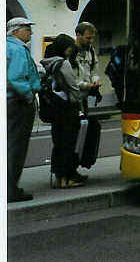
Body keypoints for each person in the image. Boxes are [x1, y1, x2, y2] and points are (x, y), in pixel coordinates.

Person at [40, 34, 85, 189]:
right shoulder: (63, 64)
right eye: (69, 48)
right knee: (68, 143)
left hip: (55, 108)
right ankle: (67, 178)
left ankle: (58, 178)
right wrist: (79, 105)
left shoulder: (47, 63)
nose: (69, 51)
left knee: (58, 143)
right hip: (67, 108)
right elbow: (73, 87)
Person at [6, 17, 41, 202]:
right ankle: (10, 189)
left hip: (8, 101)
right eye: (27, 29)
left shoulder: (6, 46)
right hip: (17, 102)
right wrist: (28, 96)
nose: (31, 32)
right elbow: (16, 77)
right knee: (16, 147)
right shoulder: (18, 49)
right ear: (17, 30)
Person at [73, 22, 101, 111]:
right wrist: (87, 85)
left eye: (93, 38)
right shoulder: (71, 51)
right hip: (72, 98)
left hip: (84, 97)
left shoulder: (91, 50)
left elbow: (94, 70)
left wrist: (95, 81)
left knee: (85, 122)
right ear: (78, 35)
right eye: (88, 38)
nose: (91, 41)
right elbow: (71, 78)